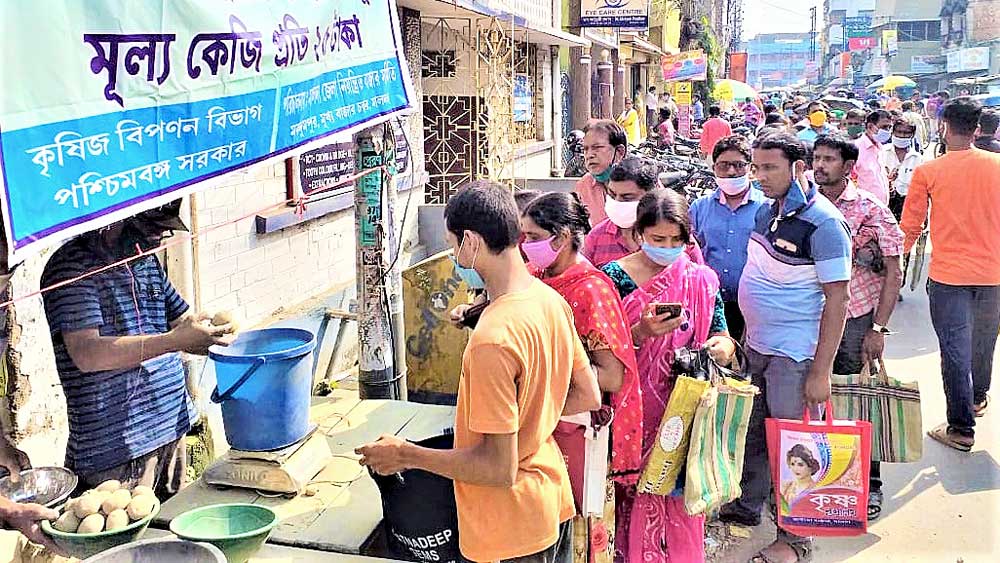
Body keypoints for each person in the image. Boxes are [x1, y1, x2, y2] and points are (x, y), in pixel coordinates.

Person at [358, 181, 601, 563]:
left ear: (471, 241)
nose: (453, 254)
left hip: (508, 529)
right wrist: (529, 420)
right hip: (550, 503)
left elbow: (497, 469)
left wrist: (406, 455)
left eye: (453, 245)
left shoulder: (493, 339)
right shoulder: (548, 299)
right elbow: (588, 394)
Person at [40, 201, 234, 498]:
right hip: (117, 448)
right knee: (124, 533)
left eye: (163, 232)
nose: (159, 239)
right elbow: (88, 354)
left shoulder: (144, 261)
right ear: (118, 220)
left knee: (174, 533)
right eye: (152, 229)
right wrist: (175, 340)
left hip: (171, 424)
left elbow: (180, 320)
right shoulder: (70, 268)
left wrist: (207, 333)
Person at [720, 132, 851, 563]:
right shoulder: (766, 214)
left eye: (768, 167)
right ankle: (748, 504)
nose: (758, 176)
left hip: (795, 357)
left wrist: (820, 371)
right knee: (754, 433)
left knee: (795, 447)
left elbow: (839, 300)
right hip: (757, 347)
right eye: (755, 167)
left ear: (798, 168)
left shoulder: (824, 224)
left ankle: (795, 539)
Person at [601, 188, 736, 563]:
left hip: (684, 413)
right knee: (628, 502)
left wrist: (720, 349)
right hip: (630, 415)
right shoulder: (613, 279)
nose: (667, 247)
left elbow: (723, 336)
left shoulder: (701, 280)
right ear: (638, 234)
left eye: (676, 240)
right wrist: (642, 333)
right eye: (658, 239)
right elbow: (593, 350)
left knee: (677, 499)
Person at [521, 193, 643, 563]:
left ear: (559, 238)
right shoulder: (537, 278)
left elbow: (612, 376)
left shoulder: (591, 290)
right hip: (544, 421)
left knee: (576, 526)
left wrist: (547, 376)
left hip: (578, 428)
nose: (525, 245)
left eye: (531, 236)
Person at [901, 97, 1000, 452]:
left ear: (943, 126)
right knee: (984, 341)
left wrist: (896, 263)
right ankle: (976, 398)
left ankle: (960, 428)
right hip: (994, 274)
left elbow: (910, 226)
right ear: (977, 129)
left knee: (954, 350)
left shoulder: (929, 172)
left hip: (949, 277)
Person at [814, 134, 903, 522]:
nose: (820, 165)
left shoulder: (871, 210)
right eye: (816, 158)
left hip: (855, 320)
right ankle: (817, 478)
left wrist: (879, 328)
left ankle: (870, 483)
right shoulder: (803, 206)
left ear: (848, 167)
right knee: (814, 400)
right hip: (810, 318)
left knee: (857, 402)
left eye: (828, 159)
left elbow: (893, 271)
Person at [690, 135, 767, 341]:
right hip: (710, 301)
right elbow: (690, 251)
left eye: (738, 165)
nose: (731, 171)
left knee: (749, 364)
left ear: (750, 168)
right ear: (714, 168)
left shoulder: (766, 208)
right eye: (724, 165)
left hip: (754, 303)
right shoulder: (699, 208)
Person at [582, 157, 703, 269]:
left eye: (627, 197)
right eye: (612, 195)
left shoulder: (678, 237)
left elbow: (700, 282)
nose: (617, 202)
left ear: (650, 195)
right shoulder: (596, 238)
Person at [575, 120, 628, 227]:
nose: (589, 155)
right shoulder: (584, 185)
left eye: (597, 148)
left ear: (620, 152)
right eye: (585, 149)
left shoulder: (642, 182)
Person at [884, 116, 924, 221]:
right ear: (893, 132)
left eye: (906, 133)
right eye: (899, 132)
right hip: (885, 204)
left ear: (912, 135)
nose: (902, 136)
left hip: (908, 205)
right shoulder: (882, 153)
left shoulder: (917, 159)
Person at [852, 109, 892, 204]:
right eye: (884, 127)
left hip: (881, 207)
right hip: (863, 208)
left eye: (889, 127)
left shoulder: (880, 148)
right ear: (870, 126)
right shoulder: (856, 149)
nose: (887, 131)